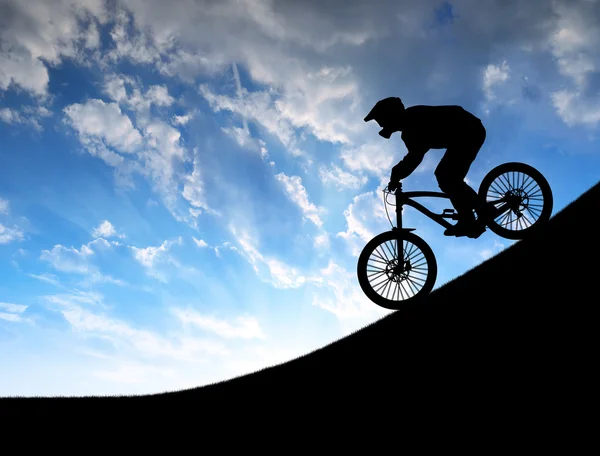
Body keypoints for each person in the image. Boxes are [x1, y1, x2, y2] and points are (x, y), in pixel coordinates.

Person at [364, 96, 487, 238]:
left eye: (382, 121)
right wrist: (396, 174)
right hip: (466, 132)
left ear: (391, 115)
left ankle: (478, 213)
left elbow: (414, 157)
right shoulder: (409, 124)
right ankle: (472, 218)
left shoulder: (412, 121)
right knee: (447, 176)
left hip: (469, 131)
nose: (381, 125)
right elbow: (414, 156)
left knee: (446, 176)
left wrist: (396, 174)